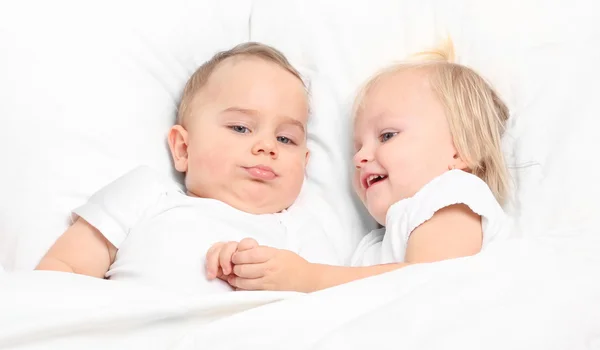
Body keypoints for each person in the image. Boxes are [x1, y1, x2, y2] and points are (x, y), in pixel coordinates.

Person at [35, 42, 337, 294]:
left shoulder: (300, 228)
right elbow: (65, 272)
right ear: (182, 148)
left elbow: (336, 301)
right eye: (241, 128)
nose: (267, 146)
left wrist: (295, 279)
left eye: (285, 138)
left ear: (304, 163)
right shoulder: (146, 194)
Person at [213, 40, 511, 292]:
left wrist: (307, 278)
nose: (359, 158)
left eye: (387, 136)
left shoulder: (455, 193)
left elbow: (428, 285)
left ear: (459, 151)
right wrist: (250, 265)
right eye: (358, 147)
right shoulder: (374, 244)